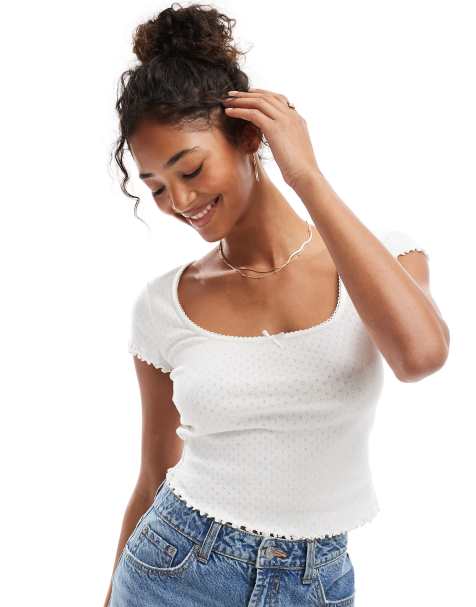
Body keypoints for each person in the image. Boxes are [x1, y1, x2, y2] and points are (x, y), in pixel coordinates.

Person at [104, 3, 450, 606]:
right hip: (173, 569)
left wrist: (306, 176)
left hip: (318, 581)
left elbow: (420, 356)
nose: (179, 201)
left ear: (249, 137)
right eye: (156, 187)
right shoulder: (164, 305)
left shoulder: (387, 257)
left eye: (191, 169)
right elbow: (155, 472)